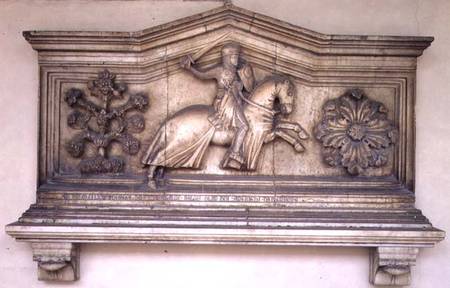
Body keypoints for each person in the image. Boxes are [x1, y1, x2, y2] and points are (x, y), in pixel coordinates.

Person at [180, 42, 255, 169]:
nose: (236, 59)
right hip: (226, 103)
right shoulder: (219, 70)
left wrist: (245, 74)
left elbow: (250, 88)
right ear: (227, 58)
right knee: (244, 127)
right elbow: (202, 75)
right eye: (233, 57)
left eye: (237, 57)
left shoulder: (239, 72)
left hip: (237, 102)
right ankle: (234, 154)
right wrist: (190, 68)